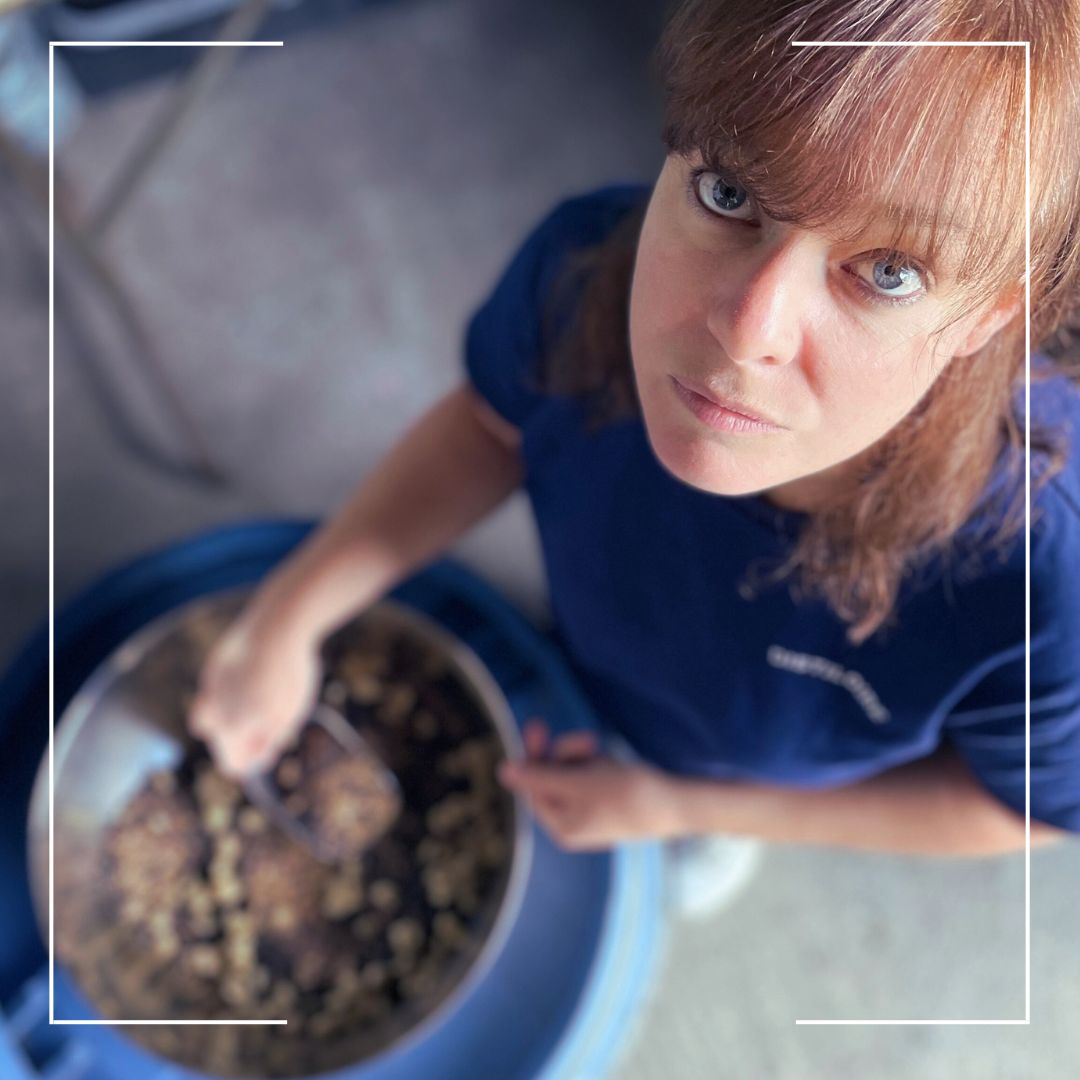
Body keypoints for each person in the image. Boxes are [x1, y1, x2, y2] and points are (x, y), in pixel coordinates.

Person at [190, 0, 1080, 909]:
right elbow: (489, 429)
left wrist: (681, 806)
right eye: (729, 192)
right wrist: (287, 617)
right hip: (597, 652)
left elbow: (1020, 809)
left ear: (987, 317)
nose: (746, 332)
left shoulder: (1045, 570)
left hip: (724, 782)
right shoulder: (580, 273)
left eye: (889, 271)